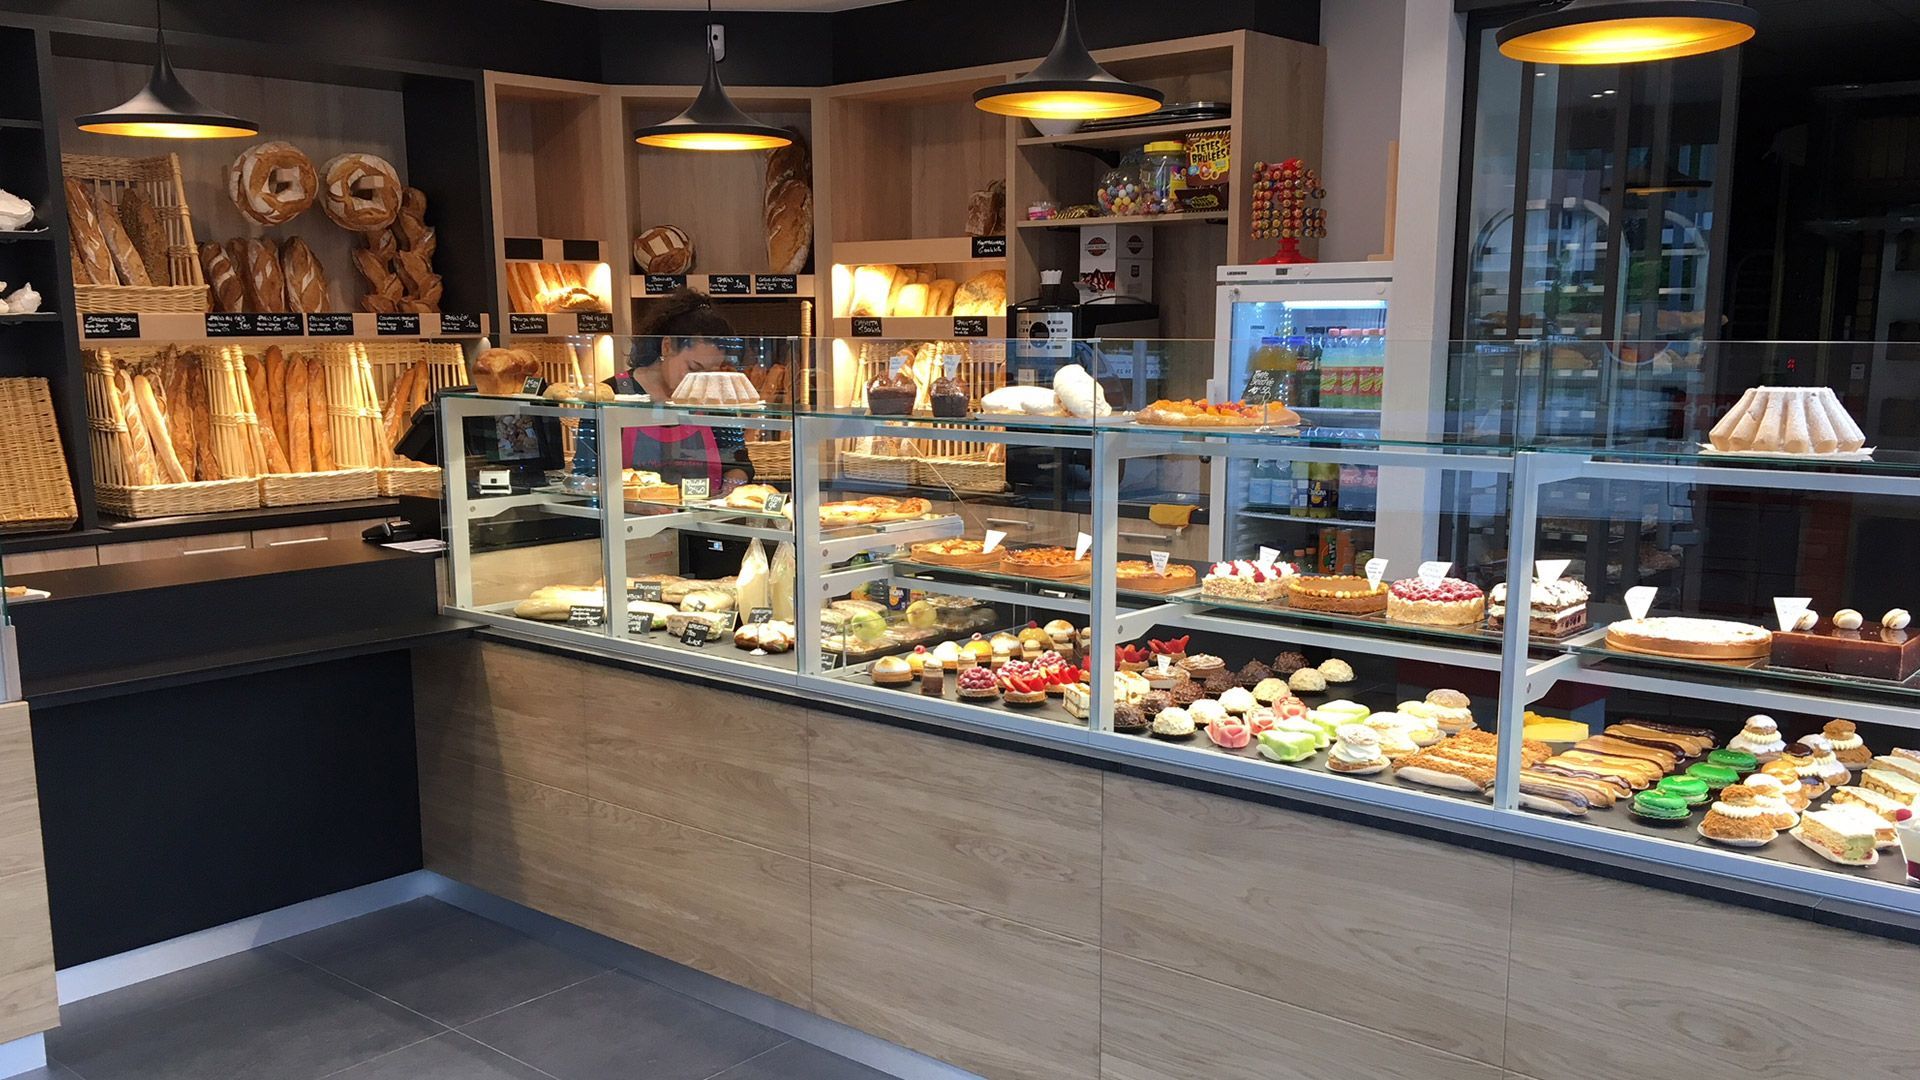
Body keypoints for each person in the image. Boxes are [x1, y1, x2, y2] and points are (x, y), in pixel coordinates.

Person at [602, 288, 752, 487]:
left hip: (702, 514)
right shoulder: (613, 393)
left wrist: (730, 490)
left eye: (710, 373)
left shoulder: (712, 398)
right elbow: (590, 475)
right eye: (693, 368)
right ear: (667, 346)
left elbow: (739, 462)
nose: (701, 381)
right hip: (630, 517)